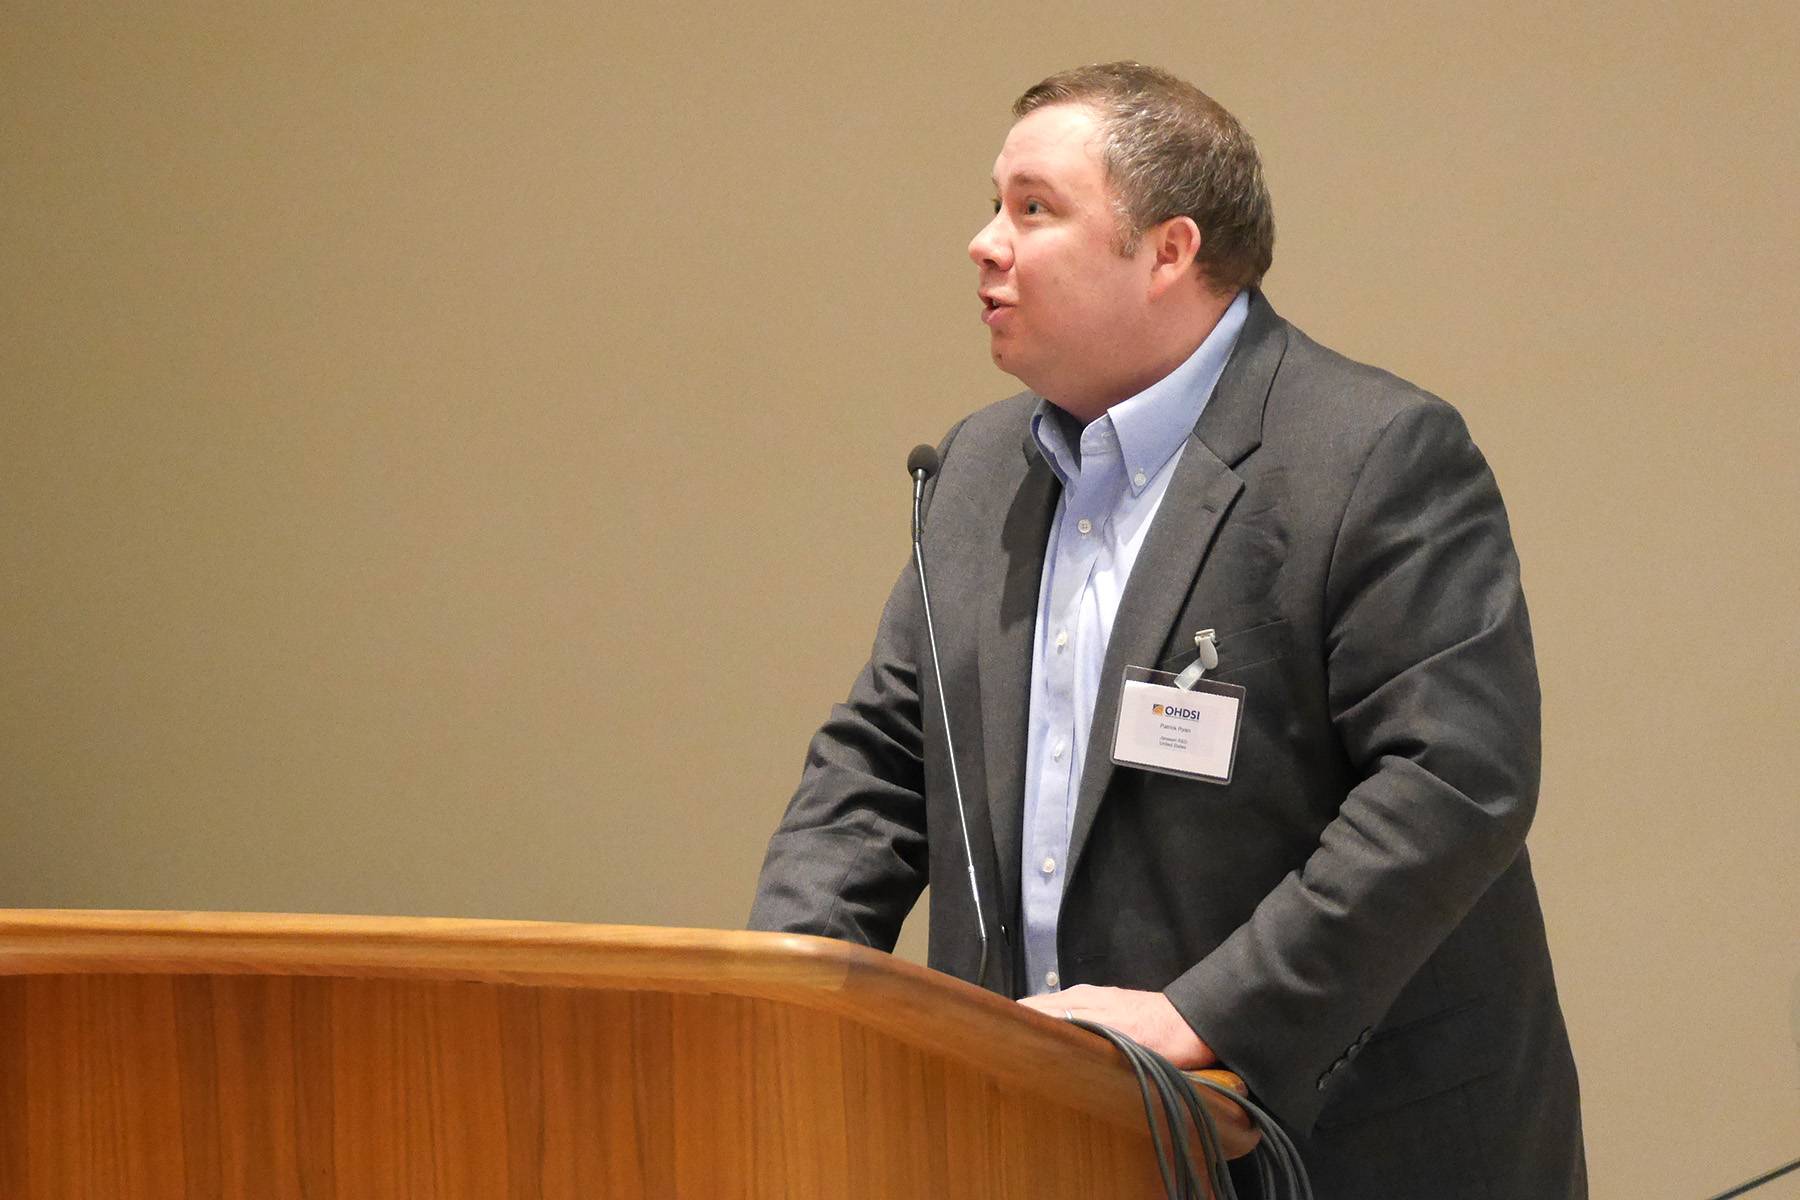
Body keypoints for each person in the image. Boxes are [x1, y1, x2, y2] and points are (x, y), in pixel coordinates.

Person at [749, 62, 1584, 1199]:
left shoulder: (1370, 454)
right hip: (1034, 1142)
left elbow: (1453, 784)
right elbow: (882, 764)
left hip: (1331, 1146)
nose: (984, 243)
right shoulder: (981, 469)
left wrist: (1206, 1014)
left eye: (1034, 208)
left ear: (1168, 251)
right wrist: (784, 993)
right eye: (995, 204)